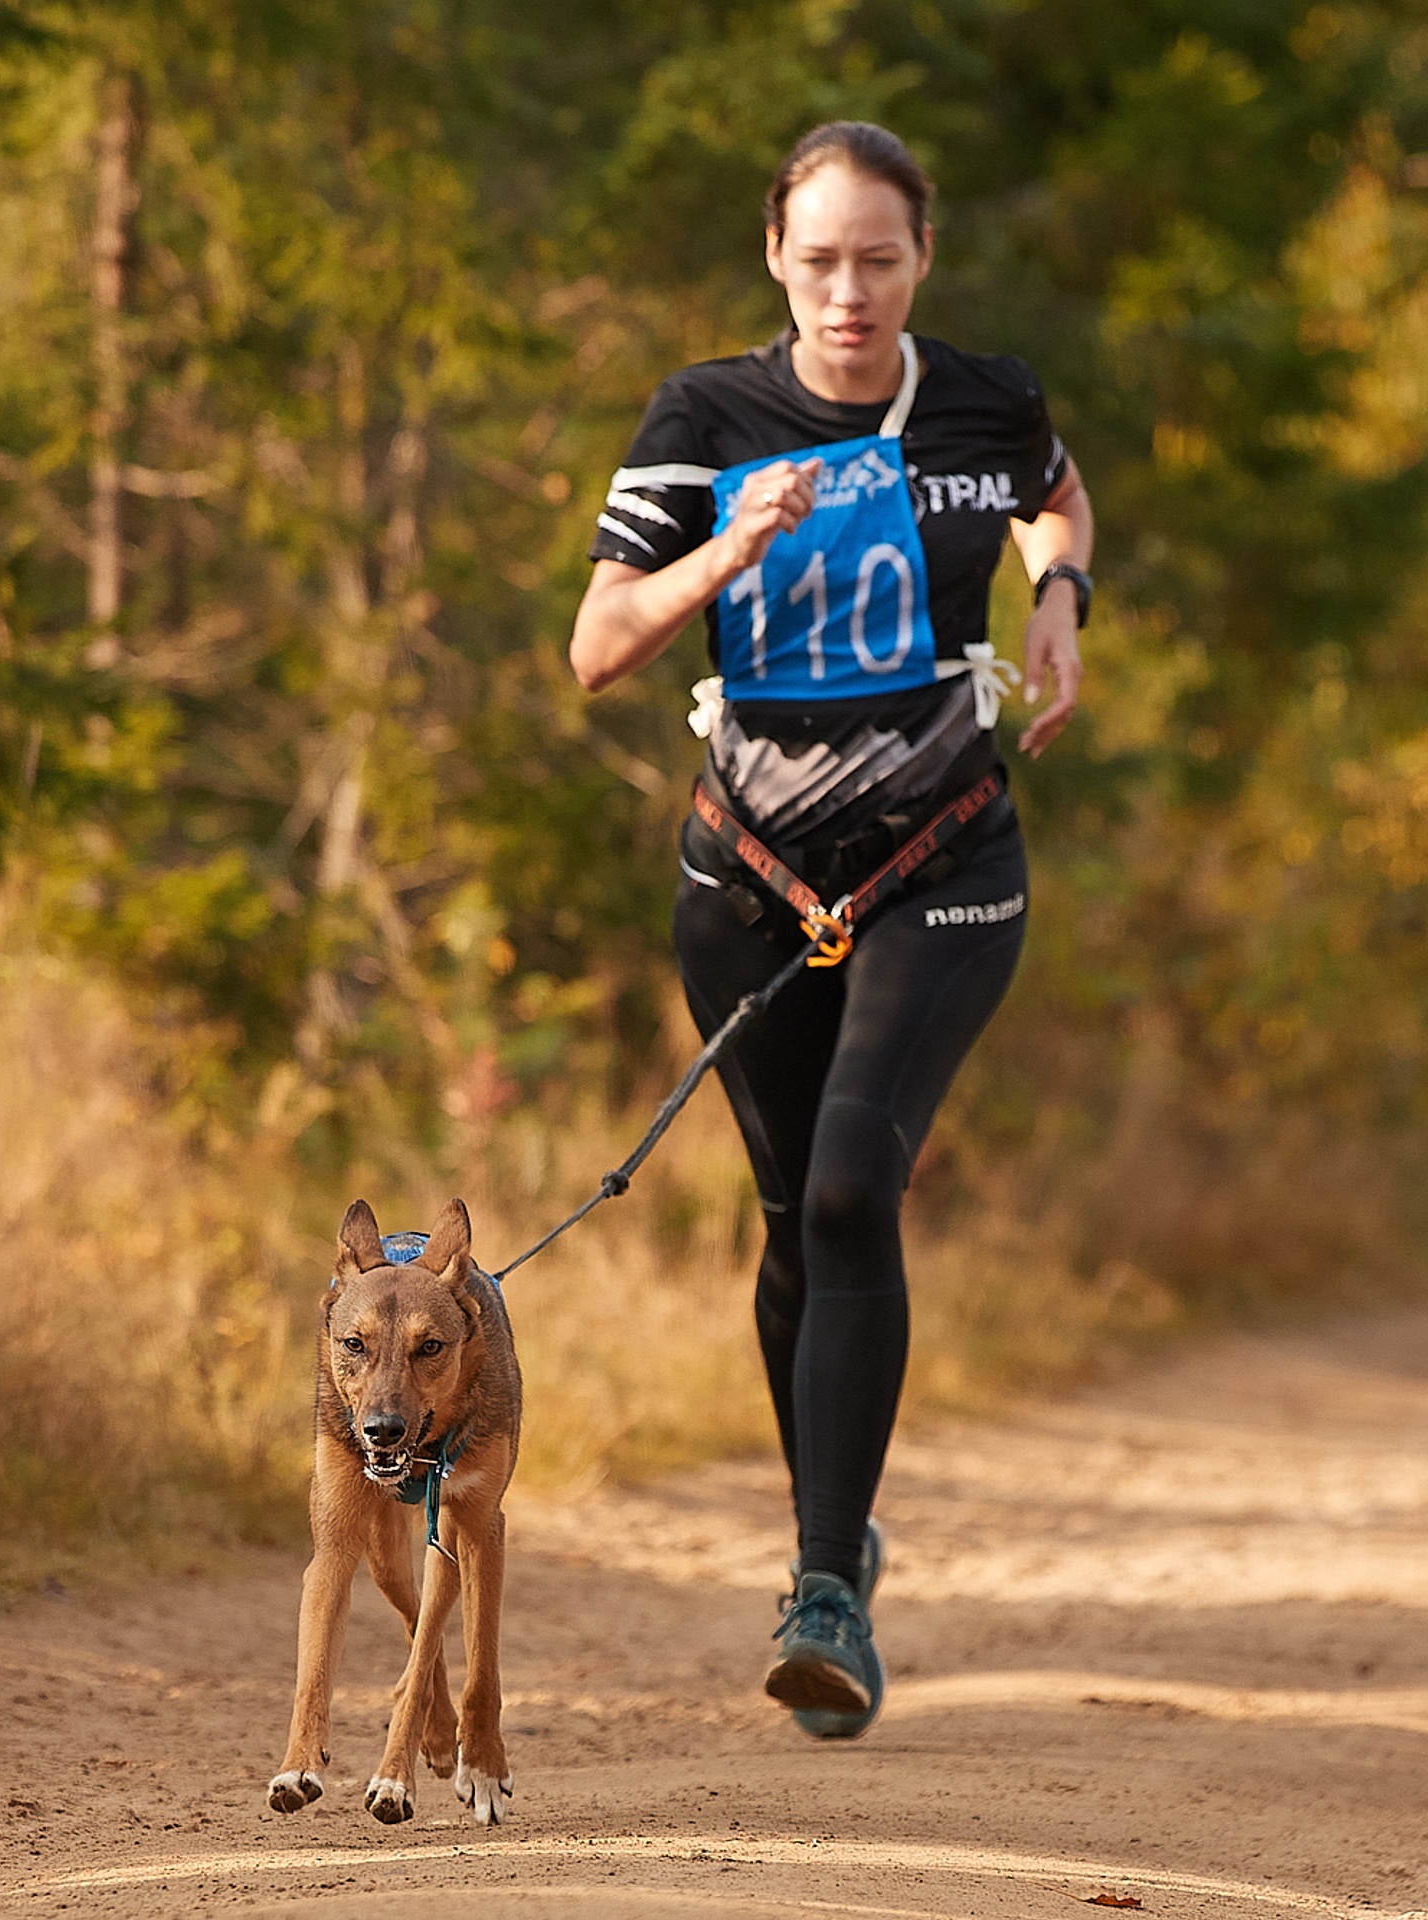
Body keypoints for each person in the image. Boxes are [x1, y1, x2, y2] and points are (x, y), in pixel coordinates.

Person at [569, 121, 1091, 1739]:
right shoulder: (702, 419)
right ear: (775, 262)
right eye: (819, 261)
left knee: (863, 1184)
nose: (849, 293)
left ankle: (821, 1594)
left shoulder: (987, 400)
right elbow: (596, 648)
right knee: (798, 1217)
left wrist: (1060, 596)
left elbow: (1057, 499)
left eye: (879, 260)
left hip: (946, 857)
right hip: (751, 880)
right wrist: (730, 545)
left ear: (921, 259)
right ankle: (838, 1528)